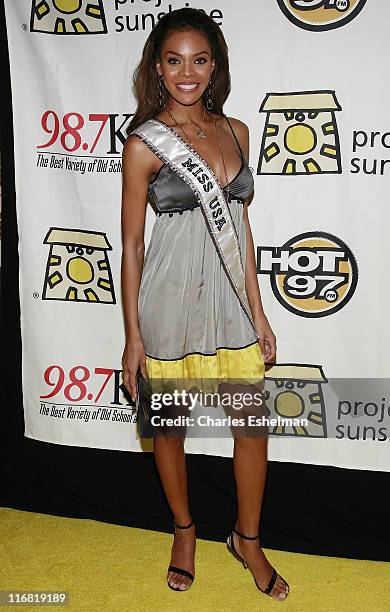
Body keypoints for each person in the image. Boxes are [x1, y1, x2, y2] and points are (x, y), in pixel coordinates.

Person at [121, 7, 289, 601]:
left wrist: (260, 311)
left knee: (253, 425)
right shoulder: (144, 143)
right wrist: (134, 337)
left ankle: (247, 538)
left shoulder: (237, 131)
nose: (186, 73)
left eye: (199, 60)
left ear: (214, 65)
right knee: (169, 429)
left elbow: (240, 229)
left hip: (229, 302)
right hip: (167, 299)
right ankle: (185, 532)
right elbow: (134, 245)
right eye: (174, 60)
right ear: (157, 67)